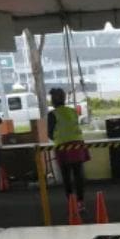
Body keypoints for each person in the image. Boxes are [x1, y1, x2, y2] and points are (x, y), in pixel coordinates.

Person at [47, 87, 88, 217]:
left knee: (66, 175)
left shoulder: (52, 114)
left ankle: (71, 202)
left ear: (52, 100)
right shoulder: (73, 111)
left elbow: (50, 133)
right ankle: (81, 202)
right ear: (64, 98)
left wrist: (58, 139)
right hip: (77, 144)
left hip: (63, 146)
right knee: (78, 174)